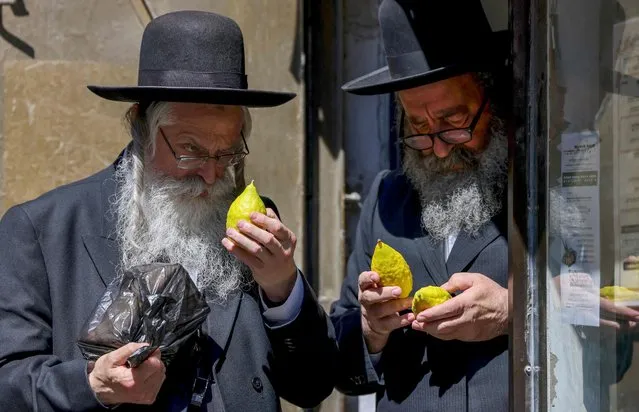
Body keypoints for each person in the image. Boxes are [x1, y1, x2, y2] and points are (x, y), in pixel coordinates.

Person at [0, 10, 336, 411]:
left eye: (227, 152)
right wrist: (91, 385)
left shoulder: (255, 223)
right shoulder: (43, 229)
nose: (211, 174)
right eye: (190, 149)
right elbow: (8, 384)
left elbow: (312, 385)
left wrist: (283, 289)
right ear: (141, 124)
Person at [330, 1, 511, 410]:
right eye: (419, 126)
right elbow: (343, 358)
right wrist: (371, 330)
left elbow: (612, 346)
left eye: (453, 121)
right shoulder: (385, 197)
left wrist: (513, 310)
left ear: (492, 100)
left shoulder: (541, 193)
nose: (439, 148)